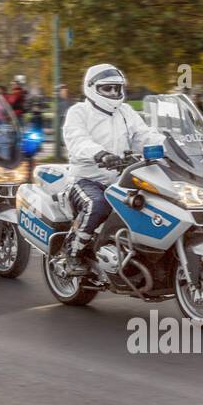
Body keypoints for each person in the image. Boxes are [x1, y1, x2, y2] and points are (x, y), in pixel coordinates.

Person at [61, 63, 163, 274]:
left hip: (121, 179)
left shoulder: (125, 112)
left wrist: (168, 145)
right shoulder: (79, 112)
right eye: (108, 88)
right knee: (97, 204)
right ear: (91, 88)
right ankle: (72, 252)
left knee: (153, 204)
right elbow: (78, 140)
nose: (114, 93)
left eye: (117, 88)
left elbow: (143, 135)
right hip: (86, 179)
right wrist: (100, 154)